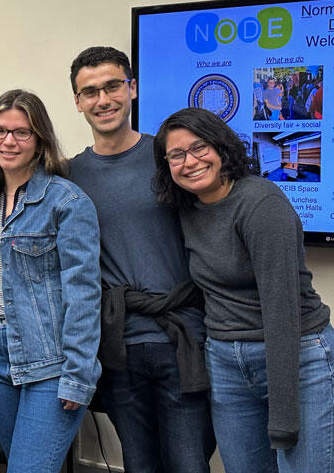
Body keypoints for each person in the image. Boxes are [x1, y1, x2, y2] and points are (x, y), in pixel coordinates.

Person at [152, 107, 334, 473]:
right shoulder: (188, 207)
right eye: (176, 154)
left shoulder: (260, 203)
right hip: (225, 361)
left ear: (222, 147)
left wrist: (284, 421)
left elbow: (282, 311)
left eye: (199, 147)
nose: (190, 162)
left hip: (295, 354)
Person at [67, 46, 215, 472]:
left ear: (132, 88)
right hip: (118, 346)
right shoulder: (69, 175)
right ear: (78, 102)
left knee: (189, 463)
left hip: (183, 339)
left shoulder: (170, 158)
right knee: (138, 464)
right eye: (90, 91)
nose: (103, 99)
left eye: (113, 86)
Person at [0, 89, 101, 472]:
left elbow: (84, 294)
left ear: (40, 139)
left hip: (51, 359)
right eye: (0, 130)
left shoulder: (67, 202)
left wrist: (78, 373)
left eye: (22, 132)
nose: (9, 141)